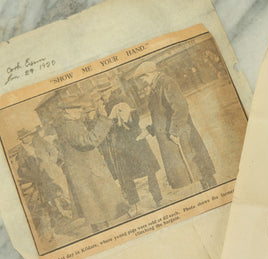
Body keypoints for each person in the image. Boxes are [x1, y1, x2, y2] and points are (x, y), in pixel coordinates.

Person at [133, 61, 217, 190]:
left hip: (182, 134)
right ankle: (208, 189)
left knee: (199, 166)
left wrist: (175, 132)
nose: (143, 82)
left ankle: (213, 191)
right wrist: (150, 130)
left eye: (143, 78)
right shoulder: (156, 87)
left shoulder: (166, 83)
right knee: (195, 171)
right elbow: (162, 115)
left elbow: (181, 107)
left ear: (151, 73)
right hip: (176, 134)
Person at [53, 98, 129, 232]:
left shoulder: (69, 123)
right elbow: (88, 141)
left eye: (79, 107)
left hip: (85, 173)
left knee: (97, 210)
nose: (80, 111)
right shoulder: (69, 125)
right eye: (75, 108)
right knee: (97, 210)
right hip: (86, 174)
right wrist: (106, 120)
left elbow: (87, 136)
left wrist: (101, 118)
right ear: (66, 111)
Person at [98, 86, 163, 212]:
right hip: (129, 142)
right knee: (135, 173)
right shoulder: (106, 106)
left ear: (109, 91)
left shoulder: (120, 100)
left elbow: (133, 120)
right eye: (101, 94)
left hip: (131, 141)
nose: (103, 96)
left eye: (103, 92)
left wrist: (120, 119)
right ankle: (154, 199)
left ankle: (148, 200)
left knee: (133, 174)